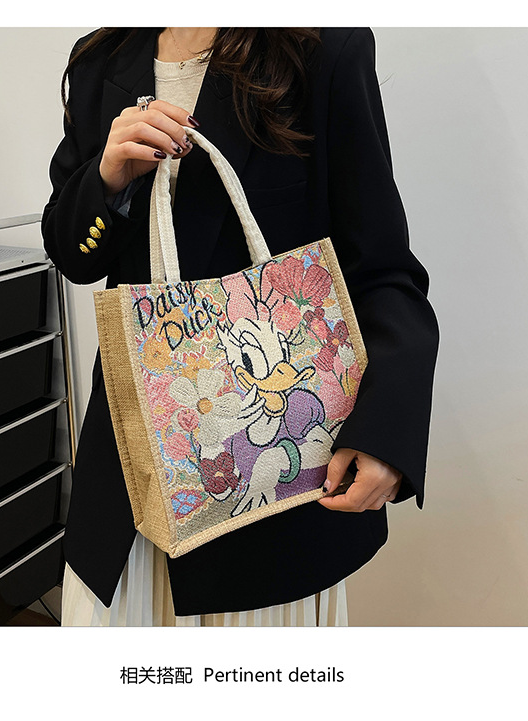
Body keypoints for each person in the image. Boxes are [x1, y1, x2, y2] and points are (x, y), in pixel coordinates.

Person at [41, 27, 439, 626]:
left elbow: (380, 267)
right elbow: (72, 254)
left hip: (271, 493)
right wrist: (106, 179)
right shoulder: (101, 58)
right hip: (128, 472)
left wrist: (387, 431)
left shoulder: (322, 47)